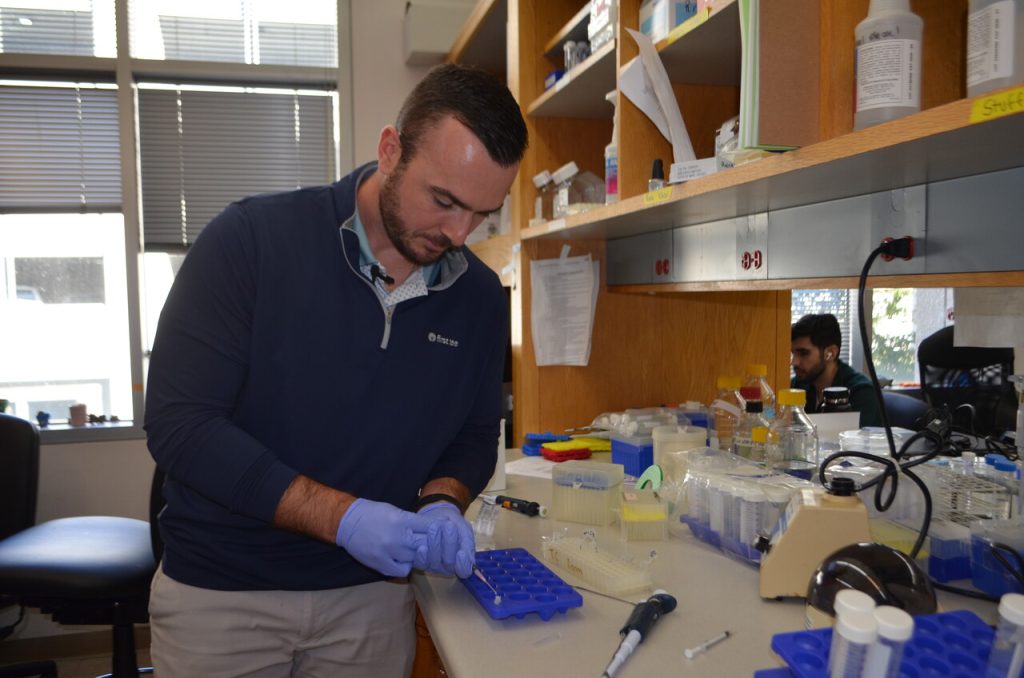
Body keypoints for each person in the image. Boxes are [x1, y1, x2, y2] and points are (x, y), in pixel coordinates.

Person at [144, 64, 527, 677]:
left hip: (371, 601)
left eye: (482, 214)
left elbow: (476, 432)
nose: (459, 233)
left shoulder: (479, 298)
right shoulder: (250, 243)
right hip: (222, 596)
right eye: (445, 201)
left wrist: (442, 500)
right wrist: (342, 517)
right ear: (389, 150)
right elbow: (180, 426)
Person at [790, 313, 883, 427]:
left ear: (830, 353)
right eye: (793, 354)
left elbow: (854, 442)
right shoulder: (798, 385)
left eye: (803, 353)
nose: (794, 362)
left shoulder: (861, 392)